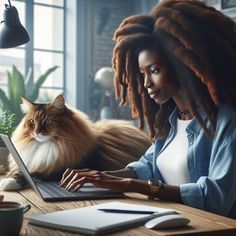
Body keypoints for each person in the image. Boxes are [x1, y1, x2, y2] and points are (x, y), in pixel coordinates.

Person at [60, 0, 236, 219]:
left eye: (154, 70)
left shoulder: (226, 120)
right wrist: (99, 177)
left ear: (184, 66)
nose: (146, 84)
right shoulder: (172, 121)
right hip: (170, 221)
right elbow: (147, 167)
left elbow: (216, 197)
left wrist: (131, 184)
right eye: (142, 73)